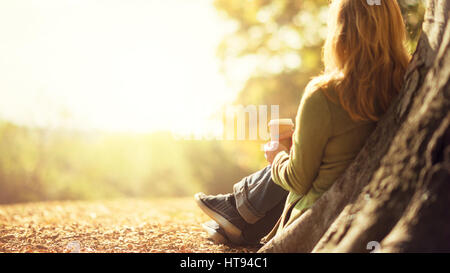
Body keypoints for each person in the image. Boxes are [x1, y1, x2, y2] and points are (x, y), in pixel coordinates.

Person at [195, 0, 411, 246]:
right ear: (395, 28)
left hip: (316, 220)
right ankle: (237, 216)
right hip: (370, 213)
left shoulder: (326, 94)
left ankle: (238, 214)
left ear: (340, 31)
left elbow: (298, 179)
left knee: (290, 162)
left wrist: (277, 155)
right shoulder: (408, 84)